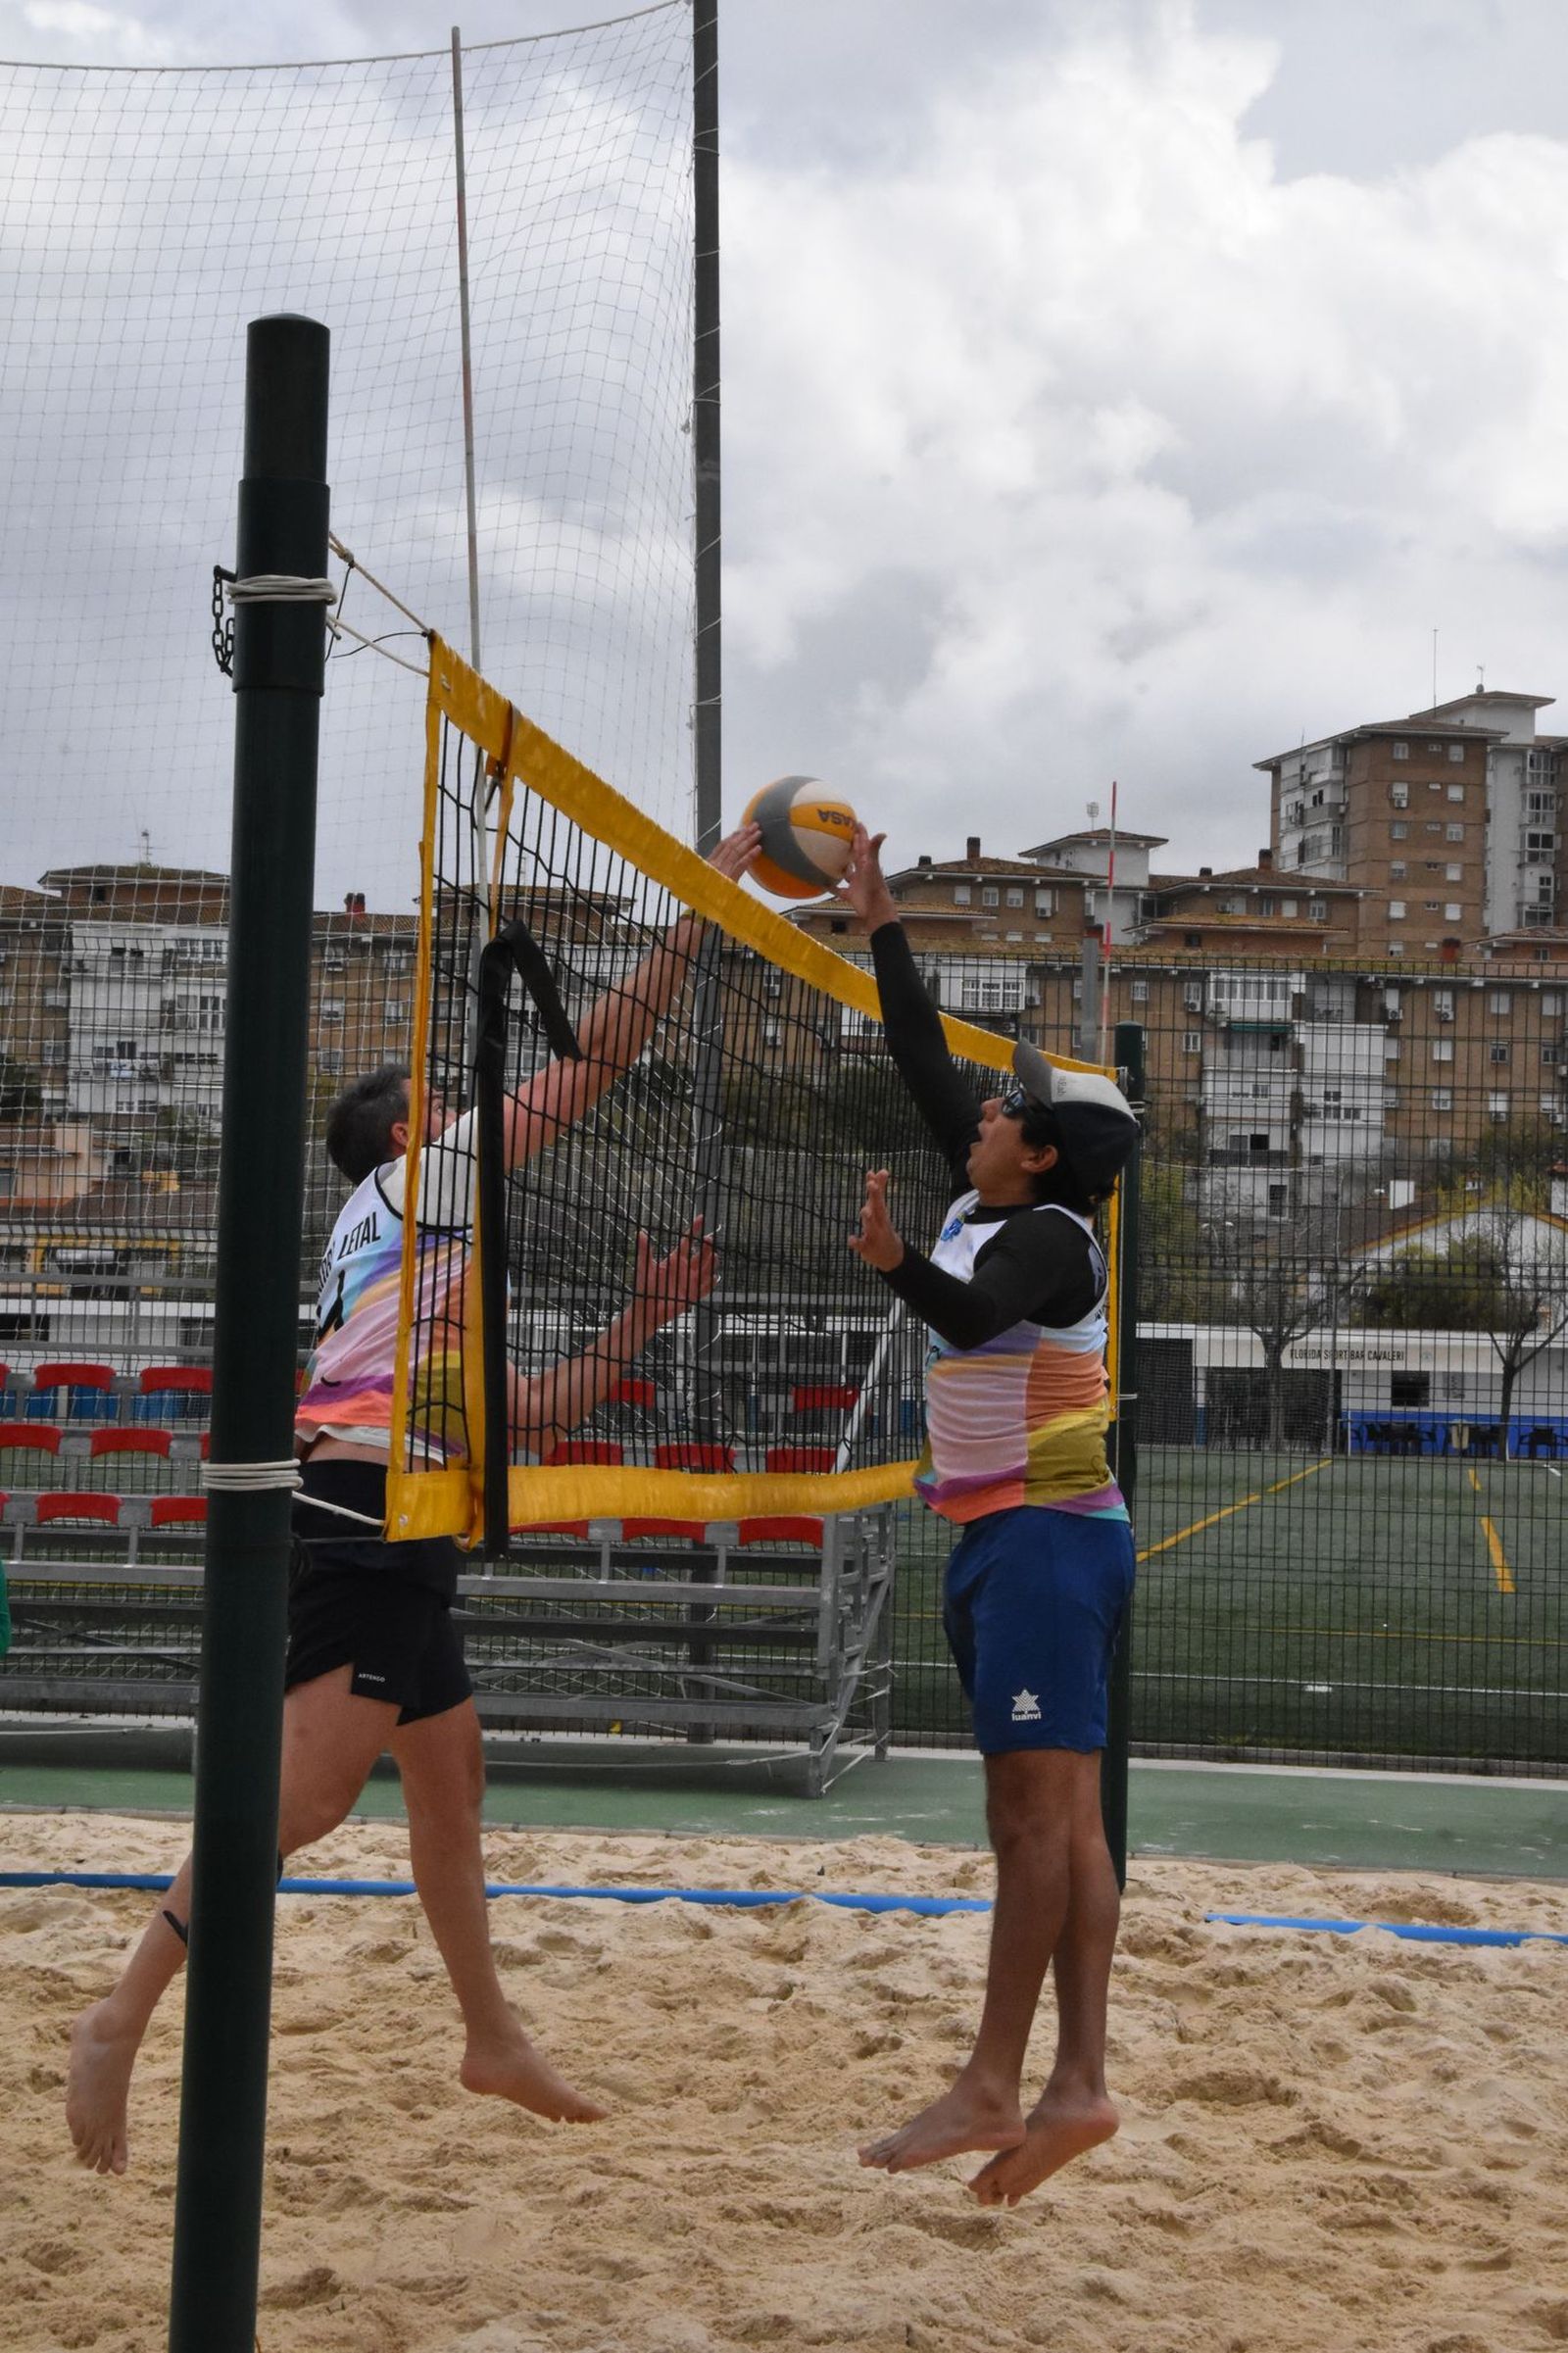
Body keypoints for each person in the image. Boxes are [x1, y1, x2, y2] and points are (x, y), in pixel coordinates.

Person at [67, 826, 760, 2177]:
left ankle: (491, 2034)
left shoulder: (418, 1261)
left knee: (451, 1781)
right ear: (405, 1134)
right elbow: (602, 1059)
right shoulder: (418, 1181)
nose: (467, 1107)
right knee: (307, 1799)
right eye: (448, 1096)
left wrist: (637, 1322)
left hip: (409, 1492)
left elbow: (530, 1412)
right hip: (375, 1499)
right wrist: (697, 909)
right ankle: (121, 2013)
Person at [840, 826, 1138, 2207]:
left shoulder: (1050, 1240)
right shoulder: (988, 1194)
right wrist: (883, 921)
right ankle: (1075, 2084)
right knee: (1057, 1823)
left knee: (1033, 1823)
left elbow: (971, 1313)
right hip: (1010, 1534)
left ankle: (993, 2081)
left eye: (1007, 1105)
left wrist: (897, 1262)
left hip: (1045, 1537)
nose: (982, 1107)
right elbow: (916, 1056)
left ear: (1043, 1149)